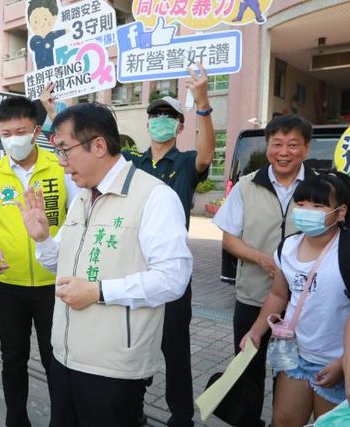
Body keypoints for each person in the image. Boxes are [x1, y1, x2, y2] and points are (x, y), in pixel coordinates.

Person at [18, 102, 192, 426]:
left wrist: (98, 291)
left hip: (113, 368)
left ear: (98, 145)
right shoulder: (83, 197)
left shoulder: (154, 197)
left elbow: (173, 278)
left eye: (65, 150)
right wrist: (42, 238)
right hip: (65, 357)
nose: (61, 163)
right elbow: (63, 265)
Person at [119, 63, 215, 427]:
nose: (161, 120)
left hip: (172, 272)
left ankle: (181, 416)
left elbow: (206, 154)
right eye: (156, 115)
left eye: (170, 116)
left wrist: (202, 103)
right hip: (132, 268)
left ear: (180, 126)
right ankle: (132, 407)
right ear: (147, 124)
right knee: (134, 343)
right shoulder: (133, 162)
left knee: (175, 349)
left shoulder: (187, 163)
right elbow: (96, 151)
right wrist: (55, 116)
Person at [0, 95, 78, 427]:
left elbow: (79, 216)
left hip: (55, 284)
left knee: (56, 359)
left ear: (35, 131)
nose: (13, 139)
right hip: (10, 285)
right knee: (13, 359)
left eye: (20, 132)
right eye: (6, 134)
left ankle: (62, 420)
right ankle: (16, 419)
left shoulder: (60, 167)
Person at [213, 114, 316, 426]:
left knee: (289, 371)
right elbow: (230, 239)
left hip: (303, 302)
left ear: (306, 148)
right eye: (277, 144)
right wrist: (263, 259)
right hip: (253, 295)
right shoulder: (246, 186)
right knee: (248, 367)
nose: (284, 152)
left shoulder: (319, 188)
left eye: (293, 145)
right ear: (267, 146)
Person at [241, 173, 350, 425]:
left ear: (341, 212)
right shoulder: (287, 247)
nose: (307, 211)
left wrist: (343, 363)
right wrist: (256, 331)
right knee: (283, 421)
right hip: (294, 355)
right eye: (301, 204)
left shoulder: (345, 250)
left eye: (318, 205)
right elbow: (278, 294)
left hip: (335, 361)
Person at [27, 0, 65, 69]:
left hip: (51, 62)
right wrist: (43, 46)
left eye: (45, 19)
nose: (41, 24)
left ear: (54, 17)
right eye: (36, 21)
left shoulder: (51, 35)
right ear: (29, 22)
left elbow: (61, 32)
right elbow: (32, 47)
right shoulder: (34, 39)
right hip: (39, 64)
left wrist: (68, 30)